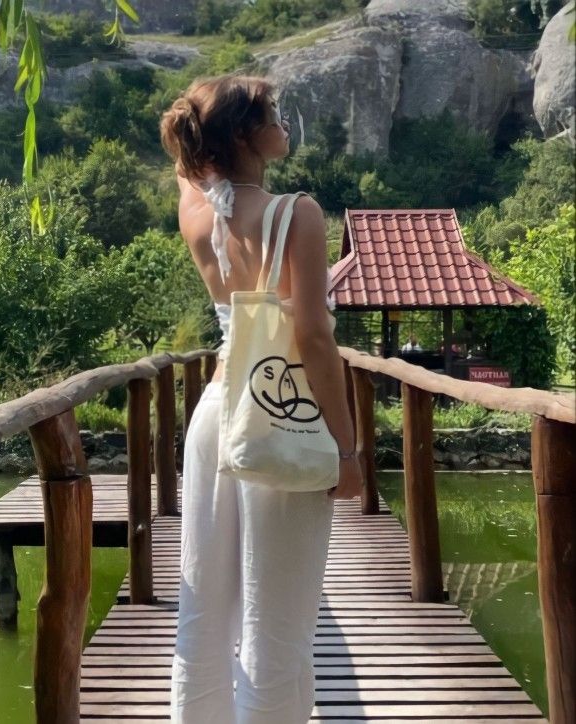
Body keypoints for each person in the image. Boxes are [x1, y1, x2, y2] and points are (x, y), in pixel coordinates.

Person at [160, 74, 362, 724]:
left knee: (204, 609)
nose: (285, 123)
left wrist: (202, 131)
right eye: (273, 113)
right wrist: (347, 449)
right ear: (248, 133)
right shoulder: (296, 213)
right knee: (278, 620)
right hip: (281, 416)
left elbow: (187, 170)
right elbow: (312, 338)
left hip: (216, 414)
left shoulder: (195, 209)